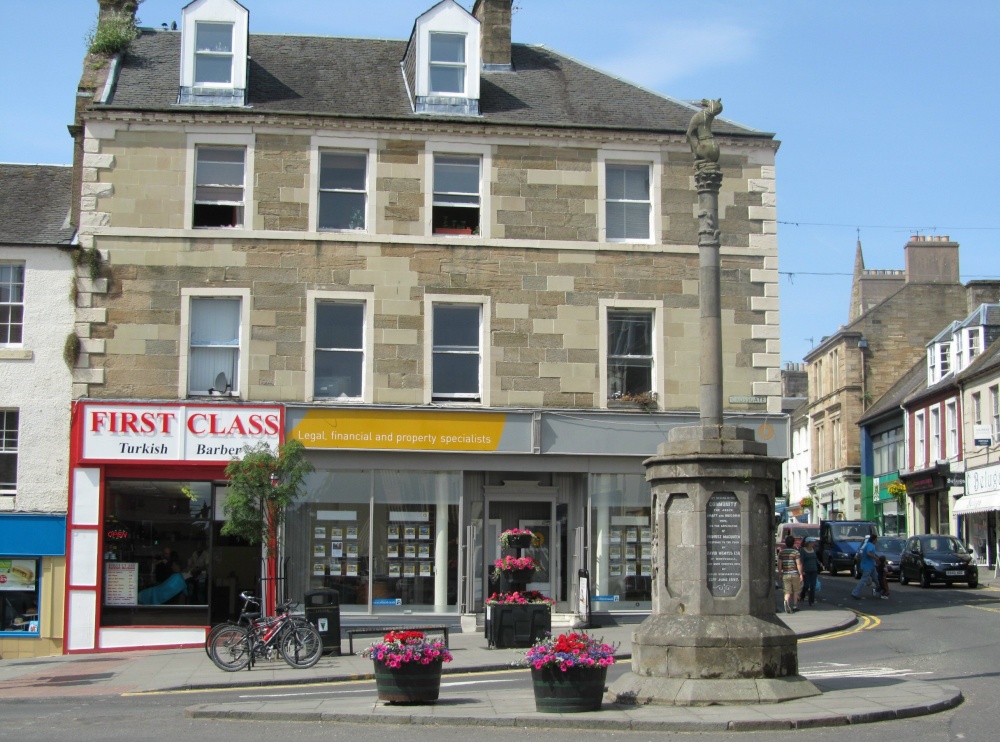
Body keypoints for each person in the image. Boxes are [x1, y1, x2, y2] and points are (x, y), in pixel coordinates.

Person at [777, 534, 804, 614]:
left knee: (787, 591)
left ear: (785, 543)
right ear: (793, 543)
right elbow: (798, 563)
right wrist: (801, 574)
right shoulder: (796, 552)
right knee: (796, 590)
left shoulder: (782, 553)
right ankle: (795, 606)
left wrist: (780, 573)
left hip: (785, 574)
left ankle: (786, 601)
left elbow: (779, 564)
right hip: (795, 574)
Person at [851, 534, 882, 600]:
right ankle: (855, 592)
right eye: (876, 539)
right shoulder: (870, 545)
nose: (877, 541)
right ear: (874, 539)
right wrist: (875, 558)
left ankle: (881, 591)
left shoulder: (869, 545)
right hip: (867, 566)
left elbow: (871, 553)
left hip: (871, 565)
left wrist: (876, 557)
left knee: (876, 578)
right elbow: (868, 553)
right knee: (863, 580)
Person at [798, 538, 820, 607]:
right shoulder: (803, 550)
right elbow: (801, 561)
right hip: (806, 571)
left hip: (814, 570)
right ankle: (802, 595)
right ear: (808, 543)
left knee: (813, 586)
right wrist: (802, 571)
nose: (813, 543)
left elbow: (815, 558)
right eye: (812, 542)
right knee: (806, 586)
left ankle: (811, 601)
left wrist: (819, 563)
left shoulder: (814, 550)